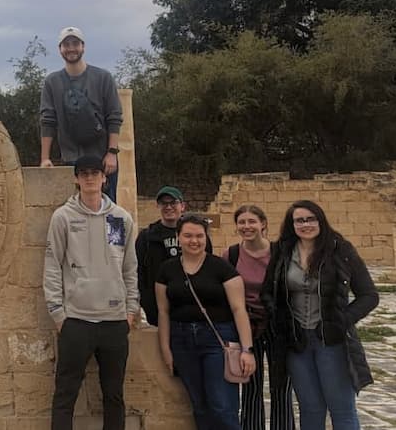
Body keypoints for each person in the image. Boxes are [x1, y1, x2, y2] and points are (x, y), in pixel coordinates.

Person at [262, 201, 378, 430]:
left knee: (342, 409)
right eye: (299, 220)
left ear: (320, 220)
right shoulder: (283, 251)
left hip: (331, 341)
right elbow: (267, 291)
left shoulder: (340, 250)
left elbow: (369, 295)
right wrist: (281, 320)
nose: (305, 224)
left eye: (310, 219)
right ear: (291, 224)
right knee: (310, 407)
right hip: (297, 342)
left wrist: (341, 320)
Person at [43, 155, 138, 430]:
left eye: (94, 173)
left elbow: (128, 266)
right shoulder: (63, 217)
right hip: (76, 321)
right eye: (83, 173)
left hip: (113, 320)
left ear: (103, 177)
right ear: (76, 178)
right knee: (65, 395)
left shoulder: (119, 219)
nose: (89, 178)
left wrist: (130, 310)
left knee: (113, 395)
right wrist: (58, 314)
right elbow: (52, 265)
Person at [156, 213, 256, 430]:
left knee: (222, 406)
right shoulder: (167, 269)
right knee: (199, 406)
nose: (194, 241)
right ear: (178, 237)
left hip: (217, 339)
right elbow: (163, 311)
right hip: (181, 340)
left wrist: (247, 349)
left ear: (206, 237)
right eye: (188, 235)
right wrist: (165, 348)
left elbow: (239, 310)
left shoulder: (221, 267)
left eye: (199, 236)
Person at [227, 205, 295, 430]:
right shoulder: (232, 255)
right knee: (251, 387)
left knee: (281, 386)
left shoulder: (281, 253)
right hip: (248, 325)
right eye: (242, 222)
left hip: (277, 323)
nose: (247, 226)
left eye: (252, 221)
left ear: (263, 224)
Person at [39, 26, 123, 202]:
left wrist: (112, 153)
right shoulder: (52, 82)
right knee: (76, 213)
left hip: (102, 159)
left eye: (75, 43)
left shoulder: (103, 78)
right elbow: (48, 121)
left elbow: (114, 117)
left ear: (83, 47)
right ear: (60, 49)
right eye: (66, 44)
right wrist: (45, 159)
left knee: (109, 211)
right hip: (71, 159)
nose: (71, 48)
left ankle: (112, 231)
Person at [137, 185, 213, 326]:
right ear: (158, 206)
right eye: (164, 203)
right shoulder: (147, 237)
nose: (169, 207)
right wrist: (146, 301)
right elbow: (140, 271)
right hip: (157, 306)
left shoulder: (197, 235)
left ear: (182, 206)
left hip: (190, 305)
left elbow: (208, 265)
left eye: (173, 203)